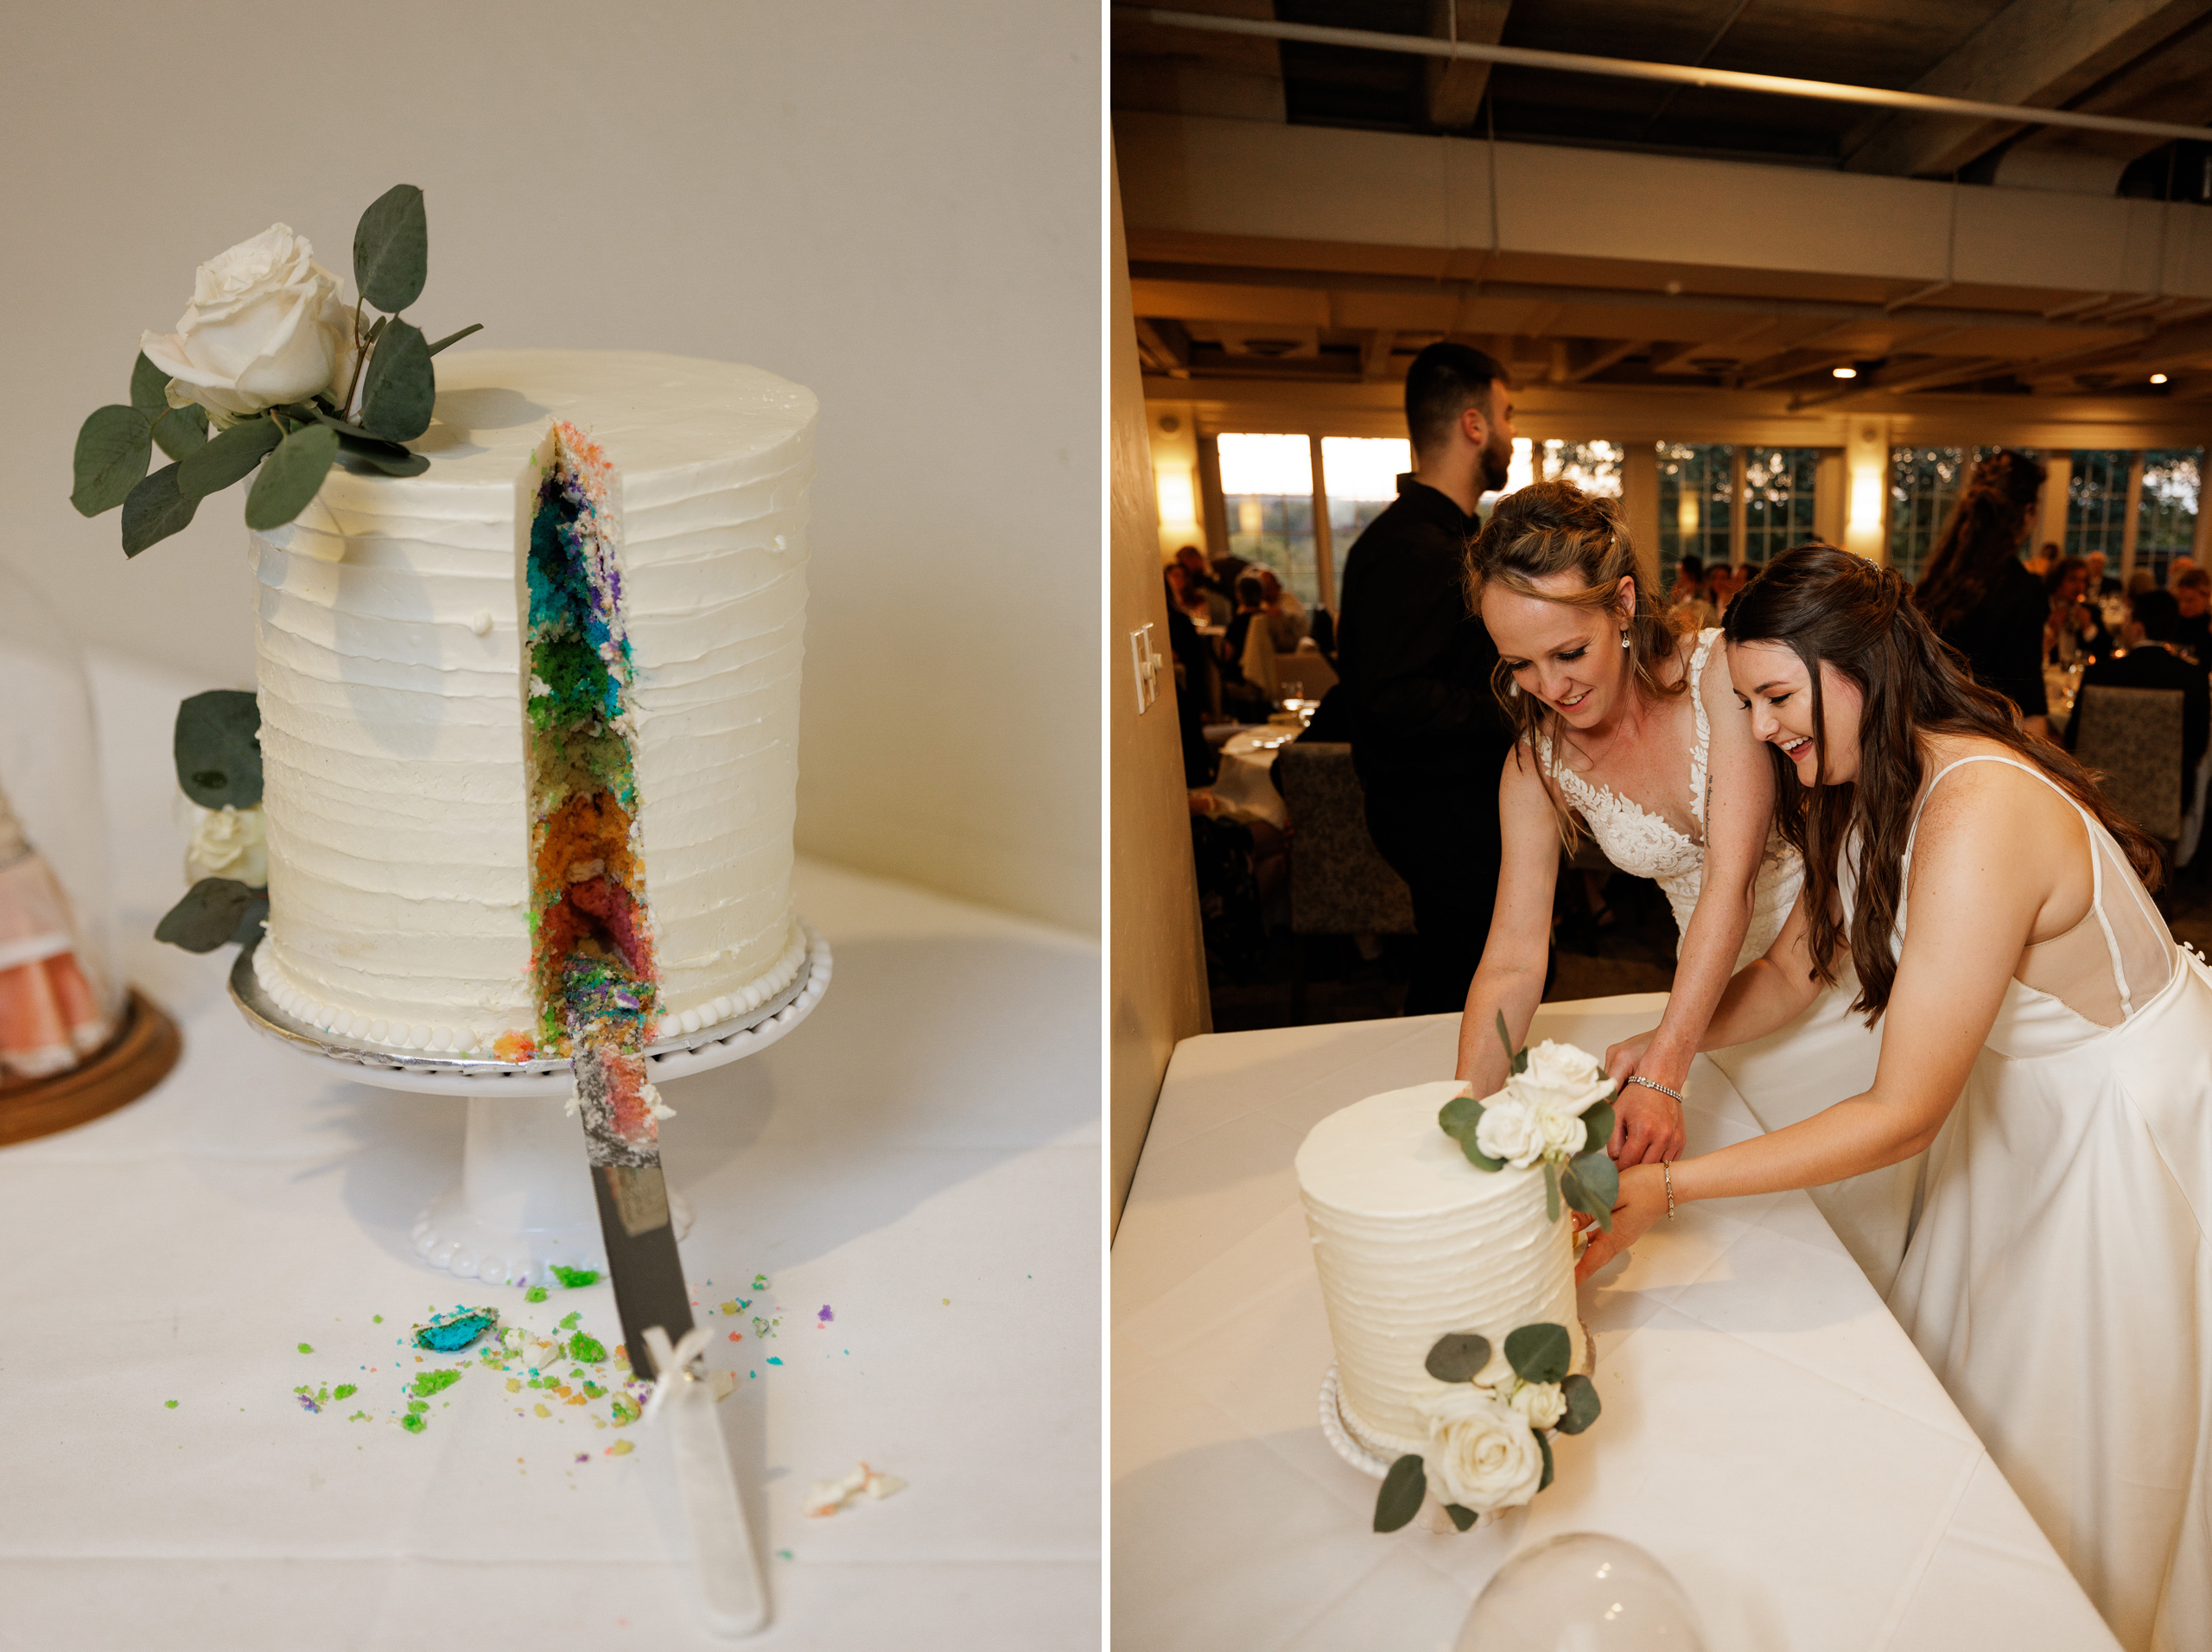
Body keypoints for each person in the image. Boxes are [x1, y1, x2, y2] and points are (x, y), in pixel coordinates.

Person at [1585, 545, 2211, 1649]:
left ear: (1862, 665)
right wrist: (1664, 1044)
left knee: (2074, 1437)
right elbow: (1787, 973)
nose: (1765, 727)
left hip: (2118, 1121)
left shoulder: (1975, 809)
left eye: (1778, 697)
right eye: (1746, 704)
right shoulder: (1878, 782)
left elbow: (1901, 1111)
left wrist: (1671, 1187)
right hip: (2030, 1098)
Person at [1460, 500, 1908, 1275]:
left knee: (1862, 1228)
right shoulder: (1534, 766)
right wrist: (1468, 1120)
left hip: (1849, 953)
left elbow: (1728, 887)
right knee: (1759, 1249)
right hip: (1724, 998)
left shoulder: (1721, 678)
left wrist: (1667, 1067)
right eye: (1521, 665)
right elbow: (1511, 956)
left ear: (1624, 604)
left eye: (1569, 651)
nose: (1550, 686)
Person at [1334, 341, 1518, 1014]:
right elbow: (1391, 697)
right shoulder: (1413, 549)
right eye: (1506, 413)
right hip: (1439, 811)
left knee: (1486, 975)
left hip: (1459, 804)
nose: (1511, 432)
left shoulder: (1448, 539)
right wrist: (1515, 709)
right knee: (1464, 985)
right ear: (1474, 425)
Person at [1910, 449, 2051, 737]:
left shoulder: (1938, 581)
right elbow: (2029, 710)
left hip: (1923, 737)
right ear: (2027, 514)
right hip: (1983, 744)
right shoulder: (2023, 591)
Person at [2064, 588, 2209, 791]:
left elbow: (2074, 739)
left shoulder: (2099, 675)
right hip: (2168, 791)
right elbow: (2196, 747)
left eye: (2127, 620)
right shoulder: (2193, 678)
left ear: (2138, 628)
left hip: (2099, 791)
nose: (2123, 626)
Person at [2044, 554, 2112, 663]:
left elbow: (2106, 653)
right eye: (2072, 579)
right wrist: (2049, 629)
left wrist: (2088, 627)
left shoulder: (2089, 612)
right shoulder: (2040, 609)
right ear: (2057, 580)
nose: (2079, 587)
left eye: (2083, 580)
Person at [1253, 566, 1309, 652]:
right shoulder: (1261, 604)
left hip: (1294, 649)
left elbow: (1292, 620)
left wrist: (1279, 613)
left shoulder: (1289, 599)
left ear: (1278, 587)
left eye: (1268, 588)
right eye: (1262, 589)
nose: (1265, 593)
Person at [2175, 566, 2211, 662]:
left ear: (2206, 596)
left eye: (2190, 600)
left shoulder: (2209, 627)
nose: (2183, 606)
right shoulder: (2172, 623)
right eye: (2180, 600)